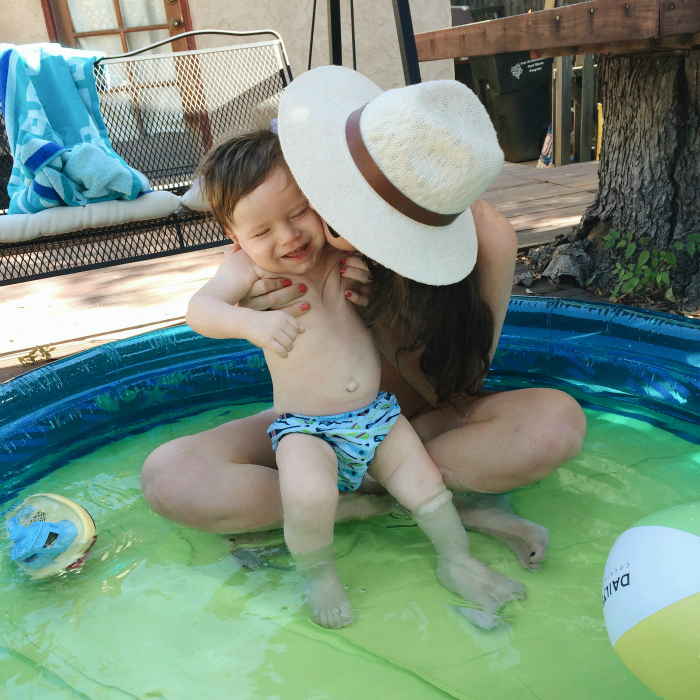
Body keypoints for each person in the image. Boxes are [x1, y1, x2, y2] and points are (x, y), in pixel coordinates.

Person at [141, 67, 586, 600]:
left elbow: (456, 385)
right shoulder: (296, 223)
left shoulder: (485, 239)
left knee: (554, 424)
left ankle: (391, 495)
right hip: (311, 428)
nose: (296, 232)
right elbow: (231, 268)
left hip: (410, 426)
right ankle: (377, 504)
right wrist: (252, 311)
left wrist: (382, 315)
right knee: (172, 476)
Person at [185, 125, 527, 629]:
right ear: (235, 240)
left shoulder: (342, 251)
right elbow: (200, 309)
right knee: (307, 498)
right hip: (306, 429)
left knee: (428, 488)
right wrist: (250, 323)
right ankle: (320, 575)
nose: (288, 237)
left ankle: (457, 559)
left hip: (376, 417)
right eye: (261, 232)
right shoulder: (247, 271)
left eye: (297, 213)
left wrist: (378, 293)